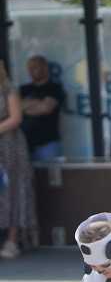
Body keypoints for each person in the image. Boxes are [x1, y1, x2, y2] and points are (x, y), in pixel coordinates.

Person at [0, 61, 35, 260]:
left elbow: (15, 118)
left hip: (10, 146)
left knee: (13, 189)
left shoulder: (8, 88)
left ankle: (12, 240)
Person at [18, 55, 65, 161]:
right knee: (29, 176)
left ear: (45, 68)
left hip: (48, 143)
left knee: (52, 176)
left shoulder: (55, 88)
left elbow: (45, 108)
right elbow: (16, 108)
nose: (31, 70)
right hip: (25, 143)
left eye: (35, 67)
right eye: (29, 68)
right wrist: (37, 103)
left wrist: (25, 106)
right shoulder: (23, 89)